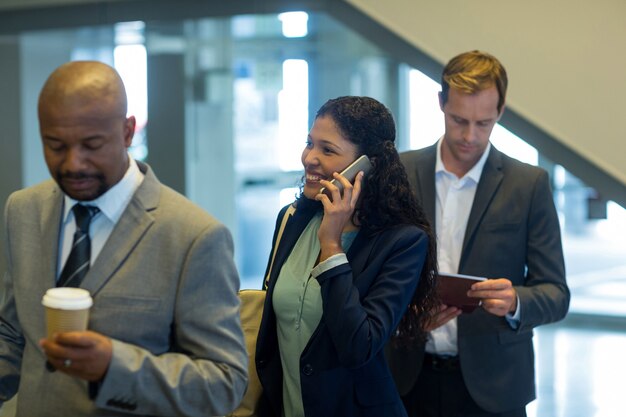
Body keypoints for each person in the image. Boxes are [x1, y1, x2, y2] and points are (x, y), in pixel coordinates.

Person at [0, 61, 247, 416]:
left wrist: (114, 368)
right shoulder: (22, 210)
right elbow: (12, 334)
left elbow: (225, 384)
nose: (73, 163)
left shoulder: (194, 236)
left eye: (92, 145)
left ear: (128, 132)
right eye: (55, 145)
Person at [386, 50, 570, 417]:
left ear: (500, 111)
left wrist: (516, 301)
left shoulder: (528, 184)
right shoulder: (399, 173)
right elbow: (374, 273)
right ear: (440, 103)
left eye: (484, 123)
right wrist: (405, 312)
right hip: (406, 378)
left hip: (496, 385)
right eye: (458, 120)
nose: (470, 136)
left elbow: (556, 293)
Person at [255, 96, 438, 417]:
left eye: (327, 150)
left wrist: (332, 245)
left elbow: (359, 345)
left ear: (367, 165)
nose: (309, 158)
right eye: (309, 143)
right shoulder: (292, 218)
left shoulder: (403, 242)